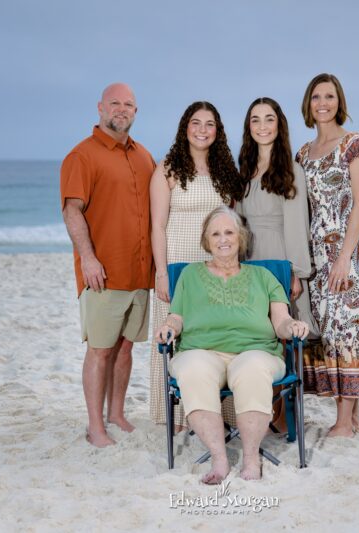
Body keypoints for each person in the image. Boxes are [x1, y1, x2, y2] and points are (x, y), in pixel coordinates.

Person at [156, 206, 309, 483]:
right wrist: (168, 327)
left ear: (241, 237)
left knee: (251, 368)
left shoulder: (264, 278)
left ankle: (251, 459)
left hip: (256, 352)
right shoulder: (190, 275)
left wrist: (293, 327)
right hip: (200, 351)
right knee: (193, 369)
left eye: (229, 232)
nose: (223, 239)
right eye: (215, 233)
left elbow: (281, 322)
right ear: (206, 240)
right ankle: (219, 459)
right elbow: (176, 317)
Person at [60, 83, 156, 447]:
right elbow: (72, 211)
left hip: (139, 273)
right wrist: (88, 258)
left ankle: (116, 414)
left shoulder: (145, 157)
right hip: (103, 274)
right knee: (100, 349)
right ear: (100, 107)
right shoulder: (81, 156)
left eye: (128, 104)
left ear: (136, 111)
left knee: (126, 347)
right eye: (114, 103)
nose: (121, 109)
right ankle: (95, 425)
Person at [295, 73, 359, 437]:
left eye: (329, 96)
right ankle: (351, 416)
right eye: (316, 97)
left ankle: (345, 422)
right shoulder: (303, 153)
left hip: (351, 251)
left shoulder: (355, 145)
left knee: (349, 328)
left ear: (339, 101)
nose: (323, 103)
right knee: (331, 331)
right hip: (318, 253)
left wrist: (345, 256)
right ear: (308, 103)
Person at [149, 101, 241, 430]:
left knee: (215, 337)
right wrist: (161, 273)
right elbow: (157, 225)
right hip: (176, 262)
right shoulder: (167, 169)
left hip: (216, 264)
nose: (202, 130)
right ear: (184, 127)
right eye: (196, 122)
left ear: (218, 131)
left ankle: (220, 414)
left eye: (210, 124)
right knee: (173, 336)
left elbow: (231, 222)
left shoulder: (225, 170)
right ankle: (175, 418)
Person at [235, 97, 316, 432]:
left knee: (284, 339)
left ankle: (285, 418)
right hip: (248, 259)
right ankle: (256, 412)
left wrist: (296, 272)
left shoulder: (290, 169)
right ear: (248, 127)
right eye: (255, 120)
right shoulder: (244, 167)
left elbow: (297, 223)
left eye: (269, 119)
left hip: (279, 255)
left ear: (279, 125)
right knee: (256, 337)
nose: (262, 126)